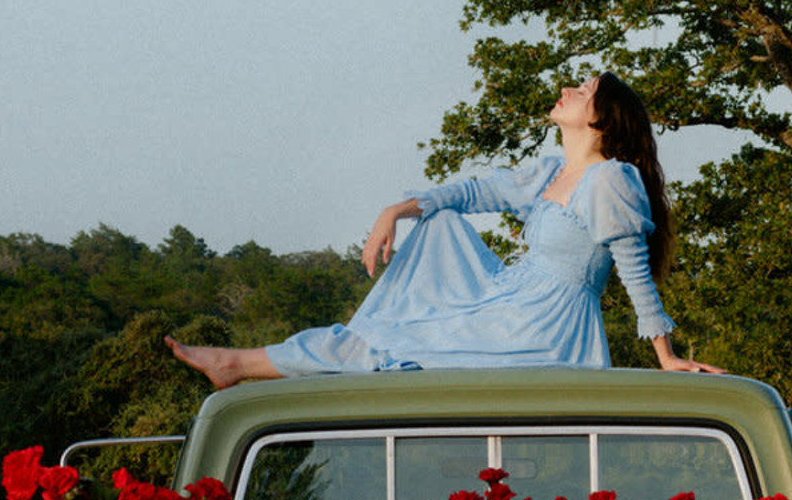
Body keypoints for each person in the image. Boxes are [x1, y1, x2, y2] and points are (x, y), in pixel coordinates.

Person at [165, 71, 723, 387]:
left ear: (600, 117)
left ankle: (236, 364)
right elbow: (476, 191)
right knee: (438, 226)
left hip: (542, 326)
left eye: (583, 90)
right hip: (506, 299)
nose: (568, 90)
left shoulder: (611, 180)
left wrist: (666, 357)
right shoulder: (551, 172)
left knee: (387, 349)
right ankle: (237, 363)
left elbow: (635, 274)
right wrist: (397, 210)